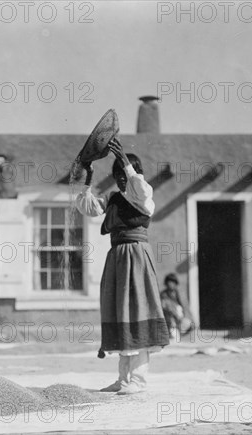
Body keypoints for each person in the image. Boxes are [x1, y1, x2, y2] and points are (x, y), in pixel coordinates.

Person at [76, 138, 170, 395]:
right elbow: (88, 206)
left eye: (124, 175)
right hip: (117, 258)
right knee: (121, 314)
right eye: (117, 175)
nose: (120, 180)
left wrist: (128, 165)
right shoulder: (113, 198)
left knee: (137, 312)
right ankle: (123, 379)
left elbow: (141, 189)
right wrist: (89, 177)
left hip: (136, 258)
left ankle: (138, 381)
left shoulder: (142, 198)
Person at [160, 273, 193, 340]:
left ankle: (179, 332)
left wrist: (182, 317)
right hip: (169, 319)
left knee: (189, 324)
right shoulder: (163, 295)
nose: (171, 284)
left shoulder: (179, 293)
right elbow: (163, 307)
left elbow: (185, 307)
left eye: (172, 282)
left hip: (179, 318)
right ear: (166, 283)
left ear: (175, 283)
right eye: (169, 282)